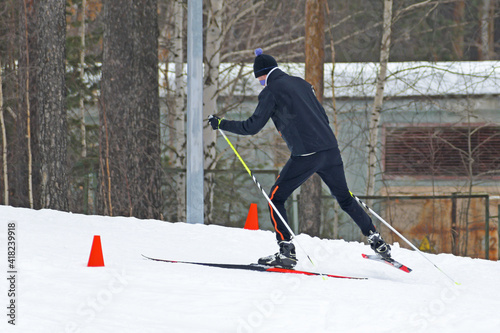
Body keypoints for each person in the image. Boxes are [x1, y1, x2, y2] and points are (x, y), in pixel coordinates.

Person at [208, 48, 390, 269]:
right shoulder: (302, 84)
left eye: (260, 80)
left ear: (263, 75)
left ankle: (286, 250)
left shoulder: (271, 90)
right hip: (330, 150)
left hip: (306, 154)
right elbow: (322, 116)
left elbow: (252, 127)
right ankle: (376, 240)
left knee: (276, 198)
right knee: (345, 198)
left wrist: (222, 124)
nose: (260, 84)